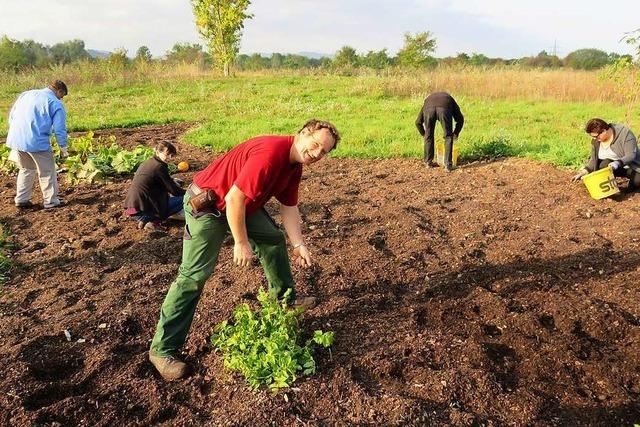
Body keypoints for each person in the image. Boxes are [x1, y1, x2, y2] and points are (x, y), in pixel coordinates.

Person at [148, 119, 341, 381]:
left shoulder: (294, 166)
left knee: (272, 238)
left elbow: (289, 208)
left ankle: (284, 300)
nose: (318, 153)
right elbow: (233, 199)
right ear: (303, 133)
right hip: (208, 206)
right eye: (316, 144)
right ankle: (163, 350)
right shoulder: (272, 154)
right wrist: (241, 241)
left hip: (240, 206)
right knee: (194, 276)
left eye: (324, 151)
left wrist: (299, 244)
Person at [6, 80, 69, 208]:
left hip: (17, 139)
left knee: (26, 169)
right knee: (47, 171)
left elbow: (12, 116)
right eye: (62, 96)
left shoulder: (26, 94)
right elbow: (59, 129)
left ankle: (21, 199)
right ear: (59, 91)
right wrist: (63, 148)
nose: (61, 99)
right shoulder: (55, 103)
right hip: (36, 142)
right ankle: (51, 202)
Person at [124, 141, 186, 231]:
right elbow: (174, 191)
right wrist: (189, 192)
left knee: (163, 198)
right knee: (184, 198)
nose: (170, 158)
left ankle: (146, 218)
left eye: (172, 155)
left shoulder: (148, 162)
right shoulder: (159, 167)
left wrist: (172, 183)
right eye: (167, 154)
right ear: (158, 152)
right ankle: (151, 220)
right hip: (141, 210)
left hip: (131, 208)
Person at [572, 118, 640, 190]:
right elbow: (594, 160)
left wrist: (617, 163)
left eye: (596, 136)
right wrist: (584, 171)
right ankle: (610, 188)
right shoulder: (596, 141)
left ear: (604, 131)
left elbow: (631, 155)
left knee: (637, 181)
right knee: (604, 164)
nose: (595, 139)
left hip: (633, 166)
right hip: (615, 167)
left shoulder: (625, 134)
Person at [415, 91, 464, 172]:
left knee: (429, 135)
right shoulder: (449, 98)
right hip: (444, 109)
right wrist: (455, 133)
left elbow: (418, 122)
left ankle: (428, 163)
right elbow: (460, 119)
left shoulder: (428, 100)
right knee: (448, 136)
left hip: (429, 109)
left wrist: (424, 135)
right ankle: (448, 165)